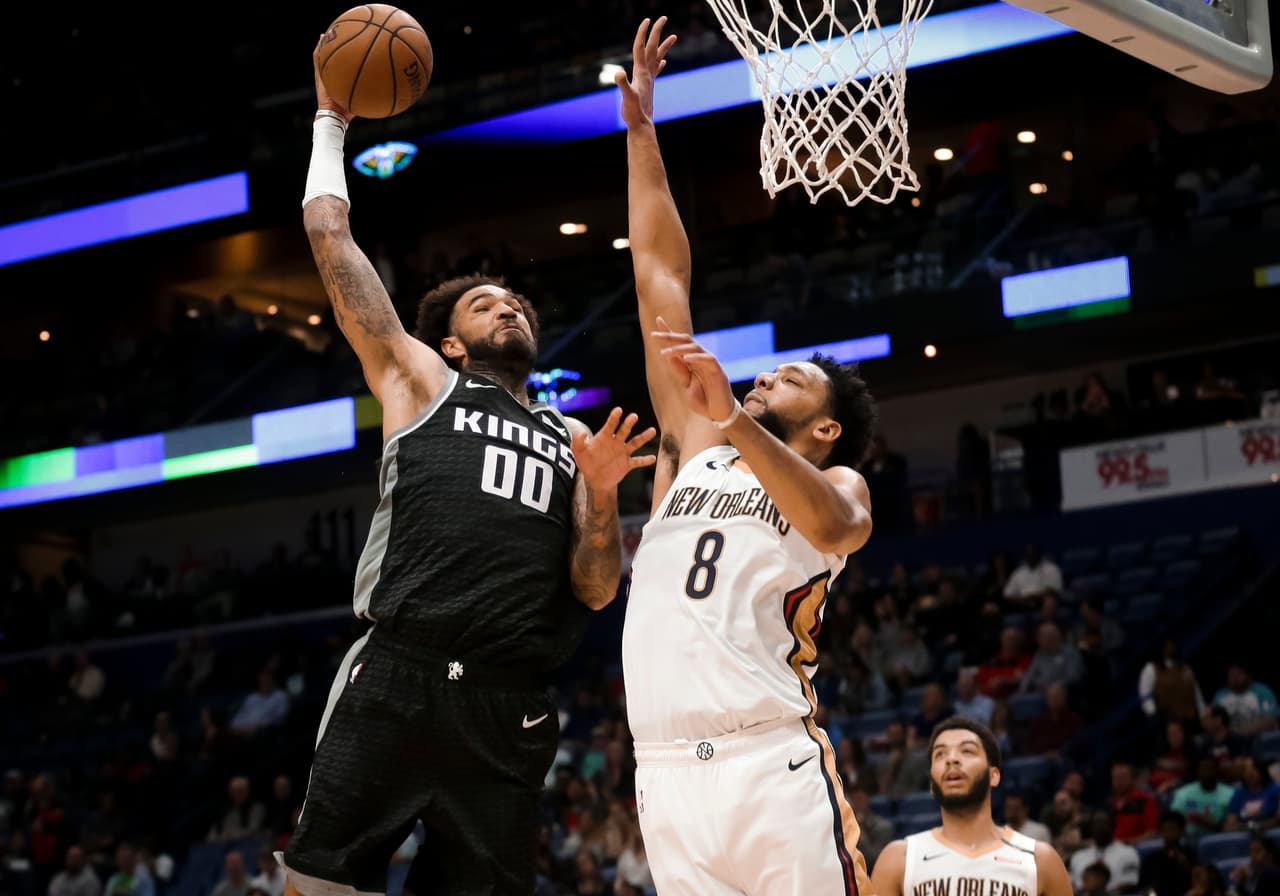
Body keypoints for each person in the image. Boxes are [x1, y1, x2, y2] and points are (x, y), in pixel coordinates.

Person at [279, 37, 656, 896]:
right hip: (398, 677)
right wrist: (330, 119)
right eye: (488, 304)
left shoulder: (573, 439)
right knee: (321, 888)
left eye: (518, 302)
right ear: (450, 339)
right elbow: (329, 233)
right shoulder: (420, 381)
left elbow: (595, 590)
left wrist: (601, 496)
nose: (511, 307)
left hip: (509, 702)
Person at [617, 18, 878, 894]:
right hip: (662, 772)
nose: (769, 374)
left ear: (828, 425)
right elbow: (660, 274)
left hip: (770, 762)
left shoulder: (833, 479)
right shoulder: (696, 438)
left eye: (794, 377)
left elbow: (838, 528)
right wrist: (642, 136)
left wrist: (733, 420)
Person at [871, 718, 1073, 896]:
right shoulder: (900, 859)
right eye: (940, 754)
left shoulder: (1039, 860)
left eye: (967, 750)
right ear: (932, 783)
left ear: (993, 775)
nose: (951, 759)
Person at [1067, 813, 1140, 892]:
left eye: (1103, 823)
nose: (1099, 828)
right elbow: (1070, 885)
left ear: (1112, 826)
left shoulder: (1128, 852)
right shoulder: (1078, 856)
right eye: (1096, 824)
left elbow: (1130, 883)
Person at [1170, 756, 1235, 835]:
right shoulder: (1184, 793)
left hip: (1220, 837)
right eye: (1203, 768)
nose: (1207, 771)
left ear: (1217, 770)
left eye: (1210, 768)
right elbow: (1174, 820)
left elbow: (1232, 824)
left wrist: (1206, 822)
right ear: (1197, 771)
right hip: (1190, 838)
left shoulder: (1230, 794)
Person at [1138, 811, 1194, 896]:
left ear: (1181, 831)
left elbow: (1196, 883)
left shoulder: (1191, 855)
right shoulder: (1152, 858)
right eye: (1164, 829)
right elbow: (1144, 886)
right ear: (1160, 832)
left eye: (1172, 829)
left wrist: (1186, 866)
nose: (1168, 833)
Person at [1212, 665, 1279, 736]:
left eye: (1239, 674)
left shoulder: (1262, 691)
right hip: (1231, 741)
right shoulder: (1220, 695)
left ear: (1248, 675)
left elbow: (1270, 719)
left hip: (1260, 738)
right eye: (1231, 675)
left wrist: (1241, 733)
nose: (1235, 678)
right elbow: (1212, 720)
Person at [1225, 756, 1280, 831]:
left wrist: (1256, 827)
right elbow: (1229, 825)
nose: (1250, 773)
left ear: (1262, 770)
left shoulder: (1276, 789)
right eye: (1245, 770)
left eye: (1254, 768)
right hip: (1244, 837)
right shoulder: (1238, 794)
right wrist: (1252, 828)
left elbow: (1278, 820)